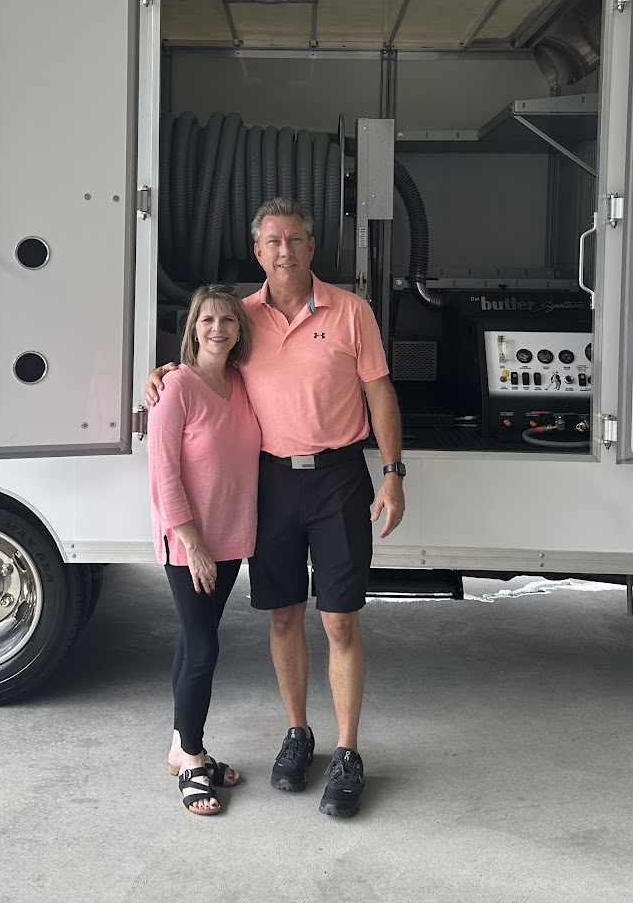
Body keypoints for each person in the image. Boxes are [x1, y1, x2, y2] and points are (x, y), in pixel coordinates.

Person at [146, 197, 405, 819]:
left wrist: (393, 473)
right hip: (274, 484)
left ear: (312, 247)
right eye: (272, 242)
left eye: (294, 239)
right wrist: (164, 376)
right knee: (284, 615)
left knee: (340, 620)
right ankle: (299, 734)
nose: (284, 251)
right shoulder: (244, 318)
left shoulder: (351, 312)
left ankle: (346, 751)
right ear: (257, 252)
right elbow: (205, 366)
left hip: (341, 477)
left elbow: (380, 391)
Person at [149, 284, 262, 817]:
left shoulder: (241, 383)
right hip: (190, 543)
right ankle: (194, 759)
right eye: (208, 320)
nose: (218, 328)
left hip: (232, 537)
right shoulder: (176, 388)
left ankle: (179, 745)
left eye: (228, 321)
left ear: (240, 330)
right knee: (203, 649)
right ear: (193, 327)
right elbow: (163, 474)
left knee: (196, 643)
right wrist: (191, 543)